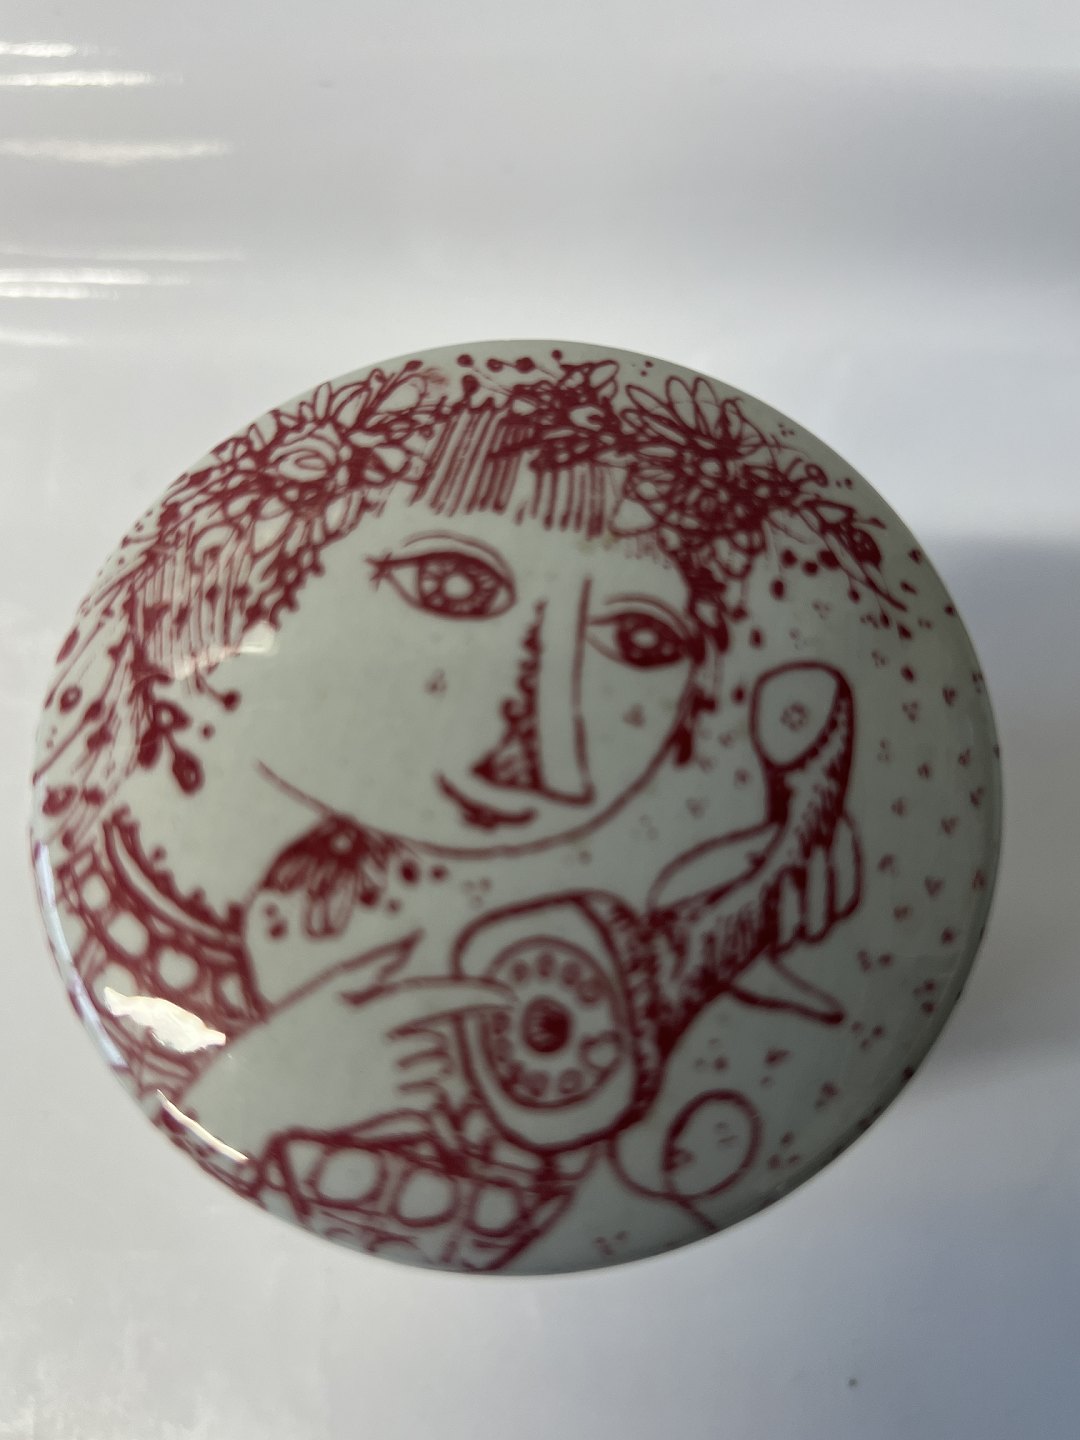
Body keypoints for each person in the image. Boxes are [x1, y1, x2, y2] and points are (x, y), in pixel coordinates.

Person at [33, 348, 887, 1268]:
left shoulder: (532, 939)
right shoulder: (170, 907)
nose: (550, 756)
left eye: (640, 641)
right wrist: (259, 1098)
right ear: (234, 569)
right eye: (451, 587)